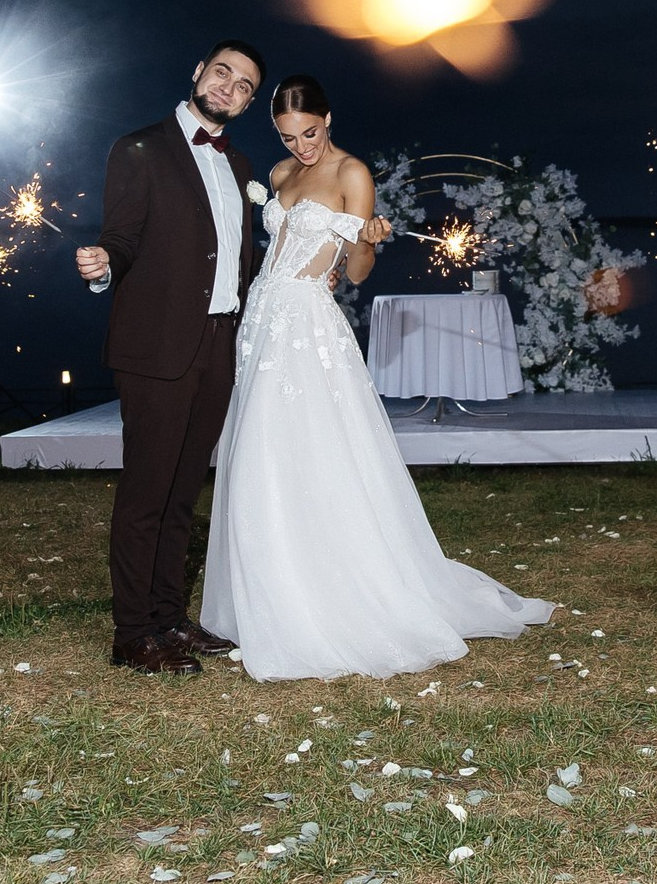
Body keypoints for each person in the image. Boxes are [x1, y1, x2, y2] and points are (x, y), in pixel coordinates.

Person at [201, 75, 553, 680]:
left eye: (310, 133)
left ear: (329, 119)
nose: (302, 146)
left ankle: (323, 599)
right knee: (259, 450)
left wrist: (370, 241)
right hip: (260, 317)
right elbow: (268, 247)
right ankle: (268, 587)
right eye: (289, 136)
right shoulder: (281, 177)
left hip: (307, 321)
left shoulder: (351, 174)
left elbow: (357, 271)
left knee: (307, 446)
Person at [74, 39, 269, 675]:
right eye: (222, 74)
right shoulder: (140, 147)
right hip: (157, 344)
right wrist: (105, 264)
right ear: (197, 73)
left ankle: (169, 617)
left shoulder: (239, 165)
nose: (229, 89)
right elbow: (123, 234)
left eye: (243, 86)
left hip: (217, 343)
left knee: (184, 491)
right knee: (147, 491)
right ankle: (133, 632)